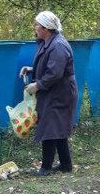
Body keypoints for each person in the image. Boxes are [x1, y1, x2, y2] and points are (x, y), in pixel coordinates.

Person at [18, 11, 77, 176]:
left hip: (60, 91)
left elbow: (54, 74)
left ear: (46, 28)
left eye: (37, 25)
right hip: (54, 90)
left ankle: (46, 167)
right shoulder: (47, 42)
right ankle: (66, 164)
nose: (35, 27)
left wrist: (37, 85)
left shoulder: (58, 45)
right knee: (56, 126)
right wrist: (31, 70)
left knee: (49, 126)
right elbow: (48, 66)